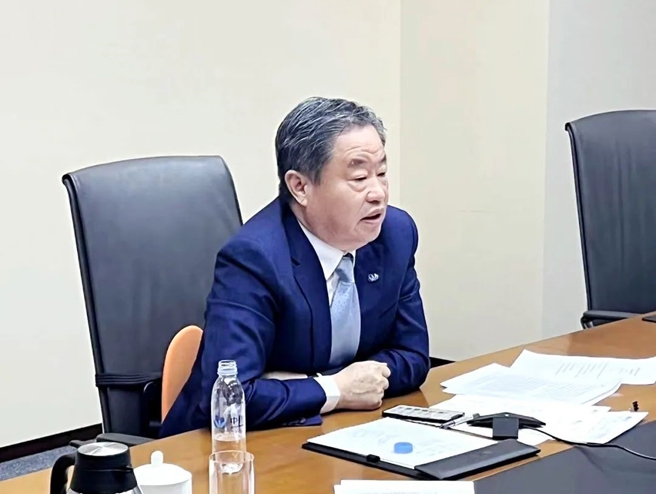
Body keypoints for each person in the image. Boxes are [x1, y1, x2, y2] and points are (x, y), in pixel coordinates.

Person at [159, 96, 430, 436]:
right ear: (300, 187)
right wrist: (336, 388)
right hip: (225, 448)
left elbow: (413, 357)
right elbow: (230, 398)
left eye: (382, 173)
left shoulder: (395, 235)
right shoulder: (254, 258)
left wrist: (319, 385)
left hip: (339, 430)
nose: (378, 193)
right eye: (360, 177)